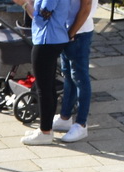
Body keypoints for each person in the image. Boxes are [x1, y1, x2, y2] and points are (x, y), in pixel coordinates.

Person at [12, 0, 77, 143]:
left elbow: (41, 19)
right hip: (54, 38)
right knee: (48, 86)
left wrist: (24, 4)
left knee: (43, 88)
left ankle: (45, 132)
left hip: (48, 40)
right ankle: (46, 127)